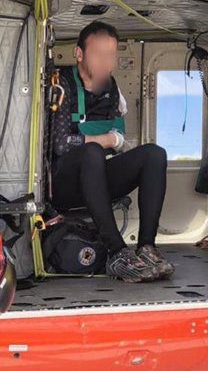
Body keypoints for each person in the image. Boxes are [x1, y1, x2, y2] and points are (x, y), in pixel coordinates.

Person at [48, 20, 172, 283]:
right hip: (63, 183)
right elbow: (60, 144)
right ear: (79, 54)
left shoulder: (111, 87)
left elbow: (119, 140)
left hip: (98, 179)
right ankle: (117, 253)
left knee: (154, 154)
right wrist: (106, 139)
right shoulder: (61, 84)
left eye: (111, 55)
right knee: (92, 152)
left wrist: (107, 140)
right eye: (99, 55)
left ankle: (147, 247)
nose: (107, 63)